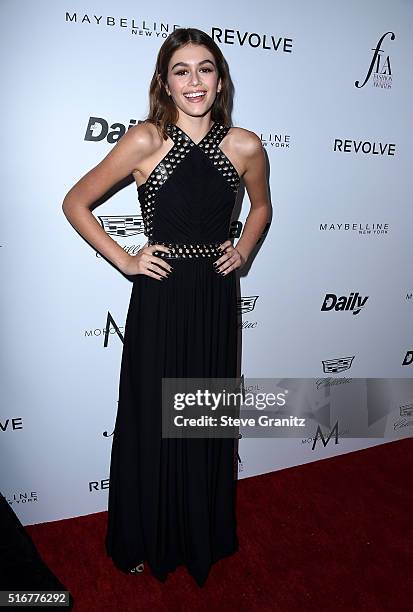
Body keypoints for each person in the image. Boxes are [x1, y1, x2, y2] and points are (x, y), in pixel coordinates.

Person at [62, 27, 270, 587]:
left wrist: (243, 250)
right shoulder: (145, 141)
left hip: (214, 296)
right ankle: (144, 534)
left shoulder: (245, 145)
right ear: (164, 82)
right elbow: (75, 202)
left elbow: (261, 209)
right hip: (161, 296)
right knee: (152, 419)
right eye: (182, 70)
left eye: (205, 68)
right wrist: (126, 260)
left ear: (220, 80)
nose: (194, 81)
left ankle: (203, 533)